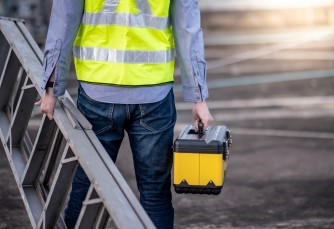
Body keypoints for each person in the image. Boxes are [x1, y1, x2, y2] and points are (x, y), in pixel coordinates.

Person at [36, 0, 213, 228]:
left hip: (97, 91)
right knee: (154, 190)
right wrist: (199, 98)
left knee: (88, 182)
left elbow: (64, 21)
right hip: (154, 93)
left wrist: (52, 87)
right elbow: (188, 30)